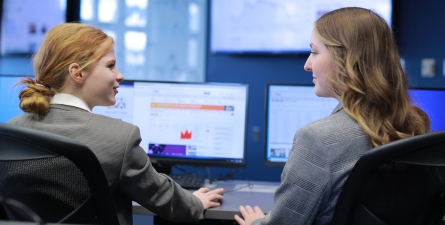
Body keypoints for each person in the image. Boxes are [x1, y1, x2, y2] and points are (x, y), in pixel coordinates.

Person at [7, 23, 224, 225]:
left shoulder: (10, 133)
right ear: (78, 73)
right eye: (111, 66)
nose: (120, 76)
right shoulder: (118, 137)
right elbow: (167, 200)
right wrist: (195, 203)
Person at [234, 7, 430, 225]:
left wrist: (255, 223)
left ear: (345, 60)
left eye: (315, 52)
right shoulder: (415, 125)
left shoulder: (316, 139)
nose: (307, 65)